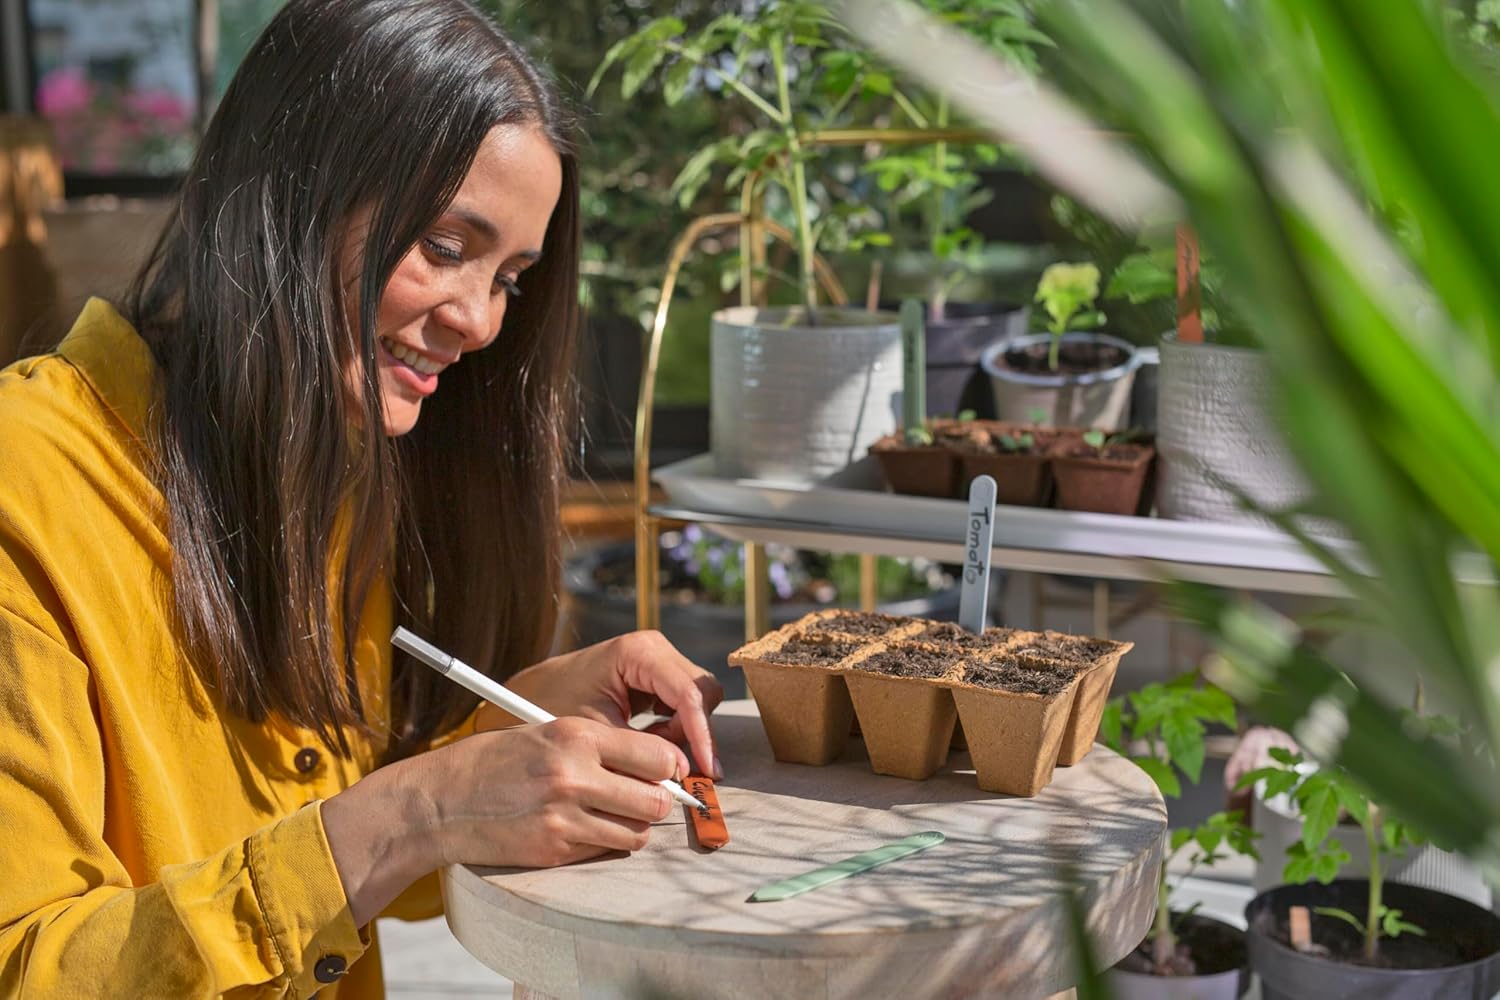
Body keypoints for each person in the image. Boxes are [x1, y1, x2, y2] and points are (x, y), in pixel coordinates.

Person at [0, 1, 723, 996]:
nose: (479, 323)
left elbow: (325, 868)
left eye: (511, 275)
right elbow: (27, 963)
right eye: (442, 246)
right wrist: (423, 806)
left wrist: (506, 744)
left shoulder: (328, 458)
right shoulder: (25, 478)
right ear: (288, 192)